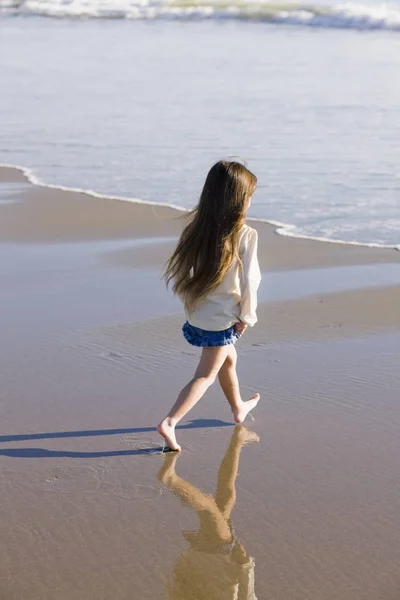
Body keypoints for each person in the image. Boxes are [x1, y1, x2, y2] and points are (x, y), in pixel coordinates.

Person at [157, 160, 262, 451]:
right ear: (239, 200)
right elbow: (251, 280)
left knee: (229, 358)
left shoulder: (196, 230)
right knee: (204, 375)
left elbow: (181, 274)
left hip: (199, 315)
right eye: (249, 196)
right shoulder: (244, 234)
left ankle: (238, 407)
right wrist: (247, 316)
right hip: (222, 319)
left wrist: (192, 307)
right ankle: (170, 421)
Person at [158, 425, 259, 600]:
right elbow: (180, 583)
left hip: (220, 555)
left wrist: (245, 563)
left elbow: (247, 595)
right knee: (226, 497)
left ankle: (171, 479)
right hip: (200, 556)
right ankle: (238, 441)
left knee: (209, 509)